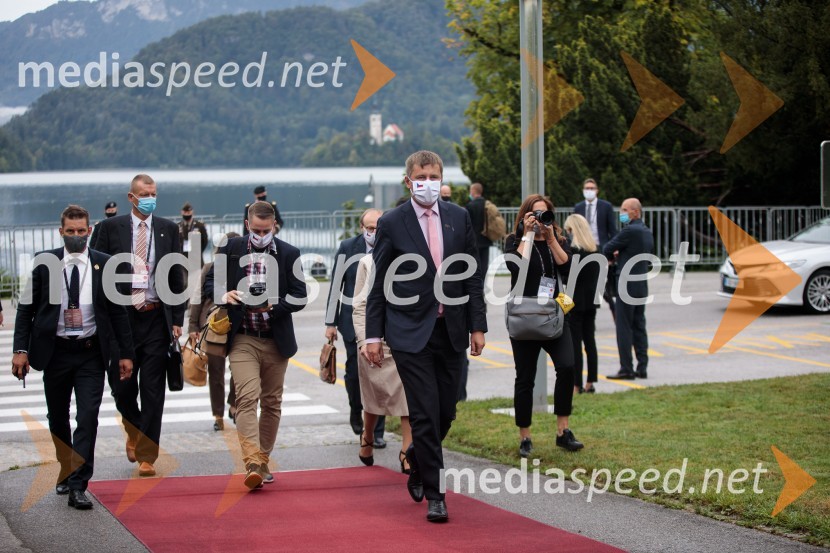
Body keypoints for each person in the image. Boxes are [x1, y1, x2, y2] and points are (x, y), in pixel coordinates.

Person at [365, 150, 487, 523]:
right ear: (408, 181)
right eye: (422, 177)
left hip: (450, 329)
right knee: (423, 412)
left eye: (435, 176)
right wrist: (373, 334)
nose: (429, 183)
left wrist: (477, 325)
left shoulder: (459, 216)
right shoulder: (393, 222)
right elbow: (379, 283)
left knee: (445, 410)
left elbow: (471, 276)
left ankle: (417, 456)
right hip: (408, 333)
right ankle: (437, 494)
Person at [12, 205, 134, 510]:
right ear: (61, 232)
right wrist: (20, 350)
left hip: (91, 354)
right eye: (71, 232)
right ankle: (66, 467)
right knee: (58, 418)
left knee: (88, 416)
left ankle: (79, 483)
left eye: (82, 231)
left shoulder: (104, 264)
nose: (77, 237)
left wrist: (125, 354)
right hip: (55, 352)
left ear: (89, 231)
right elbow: (26, 309)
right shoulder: (45, 263)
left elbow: (118, 313)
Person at [204, 201, 307, 490]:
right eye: (257, 229)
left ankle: (262, 460)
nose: (262, 234)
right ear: (248, 225)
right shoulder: (232, 248)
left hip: (276, 339)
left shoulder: (289, 253)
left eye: (267, 229)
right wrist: (226, 294)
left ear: (274, 225)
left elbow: (300, 295)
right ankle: (251, 461)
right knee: (247, 397)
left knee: (272, 403)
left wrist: (275, 307)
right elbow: (210, 281)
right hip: (243, 338)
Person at [91, 174, 186, 477]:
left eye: (154, 193)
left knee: (153, 389)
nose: (150, 198)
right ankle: (132, 427)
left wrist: (178, 320)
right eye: (144, 193)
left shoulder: (169, 230)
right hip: (122, 320)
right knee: (122, 387)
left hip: (156, 317)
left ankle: (147, 453)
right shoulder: (109, 229)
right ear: (131, 197)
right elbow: (97, 273)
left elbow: (176, 276)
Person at [504, 194, 583, 459]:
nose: (539, 220)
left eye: (544, 214)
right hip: (525, 317)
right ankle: (525, 437)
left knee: (567, 367)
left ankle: (563, 431)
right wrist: (527, 234)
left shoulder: (559, 240)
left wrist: (549, 238)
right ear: (525, 215)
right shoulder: (513, 241)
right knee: (524, 378)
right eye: (534, 214)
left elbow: (567, 265)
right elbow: (517, 267)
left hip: (554, 314)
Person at [324, 209, 386, 445]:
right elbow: (335, 286)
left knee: (378, 375)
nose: (373, 233)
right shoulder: (347, 247)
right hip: (351, 321)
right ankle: (355, 407)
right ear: (362, 228)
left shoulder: (389, 246)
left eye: (377, 229)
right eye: (369, 228)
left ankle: (377, 432)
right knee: (354, 374)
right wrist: (330, 322)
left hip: (381, 322)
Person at [353, 249, 412, 473]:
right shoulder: (367, 262)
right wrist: (363, 340)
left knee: (408, 395)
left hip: (407, 337)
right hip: (375, 337)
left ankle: (407, 451)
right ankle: (367, 436)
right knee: (374, 394)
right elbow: (359, 307)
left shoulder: (414, 256)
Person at [189, 232, 240, 432]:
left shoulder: (244, 268)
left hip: (237, 325)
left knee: (239, 369)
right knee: (216, 372)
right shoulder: (210, 268)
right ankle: (218, 415)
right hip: (213, 326)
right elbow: (197, 297)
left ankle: (234, 405)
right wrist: (193, 326)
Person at [605, 198, 654, 380]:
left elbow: (607, 247)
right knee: (639, 325)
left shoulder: (629, 230)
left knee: (623, 327)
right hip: (641, 283)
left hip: (626, 283)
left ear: (635, 212)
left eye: (625, 209)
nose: (622, 213)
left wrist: (615, 254)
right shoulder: (646, 231)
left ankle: (626, 368)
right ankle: (642, 366)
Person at [563, 214, 601, 394]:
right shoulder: (596, 250)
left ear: (572, 231)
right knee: (590, 342)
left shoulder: (573, 252)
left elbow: (568, 280)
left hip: (574, 302)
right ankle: (590, 382)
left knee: (575, 345)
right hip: (592, 300)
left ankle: (576, 384)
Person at [573, 178, 617, 321]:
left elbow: (612, 229)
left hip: (601, 248)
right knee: (588, 283)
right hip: (584, 249)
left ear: (597, 190)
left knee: (603, 284)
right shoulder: (578, 207)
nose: (589, 190)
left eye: (592, 188)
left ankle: (614, 311)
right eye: (587, 188)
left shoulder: (606, 206)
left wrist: (613, 250)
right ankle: (589, 315)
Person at [464, 183, 492, 284]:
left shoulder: (470, 206)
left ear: (473, 191)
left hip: (473, 241)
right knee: (483, 266)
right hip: (486, 240)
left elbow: (466, 224)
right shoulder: (487, 205)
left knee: (473, 266)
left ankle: (475, 287)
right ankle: (482, 286)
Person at [178, 202, 209, 267]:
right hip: (182, 258)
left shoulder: (200, 226)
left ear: (192, 212)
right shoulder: (178, 226)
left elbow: (205, 241)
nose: (186, 214)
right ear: (182, 212)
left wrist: (198, 251)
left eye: (188, 212)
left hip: (196, 257)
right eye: (185, 212)